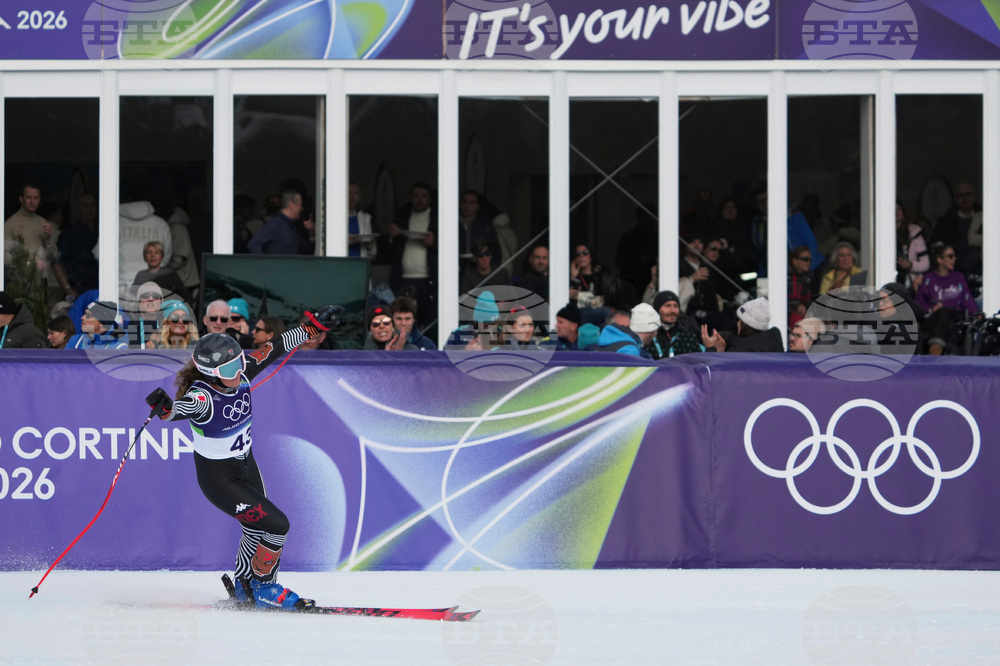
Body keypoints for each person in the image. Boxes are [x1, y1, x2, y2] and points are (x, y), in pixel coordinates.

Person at [144, 306, 343, 610]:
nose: (237, 374)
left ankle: (244, 585)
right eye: (227, 371)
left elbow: (276, 346)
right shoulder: (203, 396)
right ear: (211, 373)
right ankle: (264, 587)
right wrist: (164, 409)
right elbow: (177, 411)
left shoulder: (239, 371)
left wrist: (313, 327)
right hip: (220, 479)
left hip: (245, 464)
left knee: (255, 527)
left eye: (238, 364)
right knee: (277, 525)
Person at [388, 182, 438, 335]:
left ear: (429, 198)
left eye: (423, 196)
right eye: (416, 196)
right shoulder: (402, 215)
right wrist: (392, 235)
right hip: (404, 278)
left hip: (428, 280)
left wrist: (434, 243)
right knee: (404, 321)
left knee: (430, 321)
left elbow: (452, 244)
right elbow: (388, 249)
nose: (420, 200)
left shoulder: (437, 217)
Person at [4, 182, 63, 306]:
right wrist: (29, 261)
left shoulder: (42, 222)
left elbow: (52, 255)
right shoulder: (10, 224)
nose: (32, 201)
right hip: (18, 285)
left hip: (41, 284)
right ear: (21, 199)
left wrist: (48, 239)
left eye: (35, 198)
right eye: (29, 197)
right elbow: (3, 257)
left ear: (39, 200)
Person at [916, 243, 978, 355]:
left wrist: (977, 315)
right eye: (950, 256)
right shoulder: (928, 279)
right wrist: (932, 309)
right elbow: (920, 303)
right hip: (934, 320)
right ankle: (936, 352)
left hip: (956, 319)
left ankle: (935, 352)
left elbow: (968, 300)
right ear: (939, 259)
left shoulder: (958, 277)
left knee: (948, 313)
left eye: (954, 256)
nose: (954, 259)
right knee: (943, 314)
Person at [119, 198, 172, 289]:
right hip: (154, 280)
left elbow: (100, 253)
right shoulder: (160, 224)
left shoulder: (114, 222)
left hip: (120, 282)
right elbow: (167, 254)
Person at [930, 183, 981, 277]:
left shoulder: (985, 218)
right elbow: (935, 245)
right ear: (956, 199)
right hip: (954, 270)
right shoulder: (945, 221)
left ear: (974, 197)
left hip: (980, 269)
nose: (965, 198)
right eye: (961, 195)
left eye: (969, 195)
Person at [701, 296, 784, 352]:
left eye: (740, 320)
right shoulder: (775, 338)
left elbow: (717, 373)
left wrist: (711, 349)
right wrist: (726, 340)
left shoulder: (738, 350)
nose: (737, 323)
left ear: (747, 325)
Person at [247, 190, 314, 255]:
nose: (301, 208)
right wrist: (266, 264)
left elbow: (305, 249)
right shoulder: (276, 224)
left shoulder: (290, 225)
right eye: (299, 204)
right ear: (291, 205)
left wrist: (311, 233)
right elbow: (253, 244)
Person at [132, 240, 193, 305]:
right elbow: (131, 298)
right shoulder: (140, 276)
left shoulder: (169, 274)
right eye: (149, 252)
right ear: (144, 257)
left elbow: (186, 297)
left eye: (157, 252)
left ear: (162, 257)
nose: (153, 255)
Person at [646, 290, 701, 359]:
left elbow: (699, 363)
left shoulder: (688, 337)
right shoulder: (648, 337)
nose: (672, 310)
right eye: (667, 305)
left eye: (675, 306)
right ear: (658, 309)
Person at [896, 200, 929, 292]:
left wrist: (910, 265)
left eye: (898, 209)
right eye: (892, 209)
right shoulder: (883, 234)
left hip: (910, 285)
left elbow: (926, 264)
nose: (896, 212)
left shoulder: (914, 233)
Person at [127, 282, 164, 349]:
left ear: (161, 303)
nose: (150, 299)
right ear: (139, 302)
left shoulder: (168, 326)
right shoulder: (130, 328)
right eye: (145, 296)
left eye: (155, 296)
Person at [788, 246, 816, 327]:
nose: (808, 263)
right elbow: (780, 298)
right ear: (795, 261)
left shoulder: (810, 278)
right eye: (805, 259)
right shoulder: (784, 276)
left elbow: (813, 298)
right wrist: (797, 305)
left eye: (810, 260)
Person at [347, 181, 376, 258]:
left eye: (355, 193)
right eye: (348, 193)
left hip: (359, 266)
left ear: (359, 198)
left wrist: (370, 245)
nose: (351, 197)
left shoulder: (365, 218)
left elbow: (372, 254)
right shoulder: (334, 218)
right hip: (340, 264)